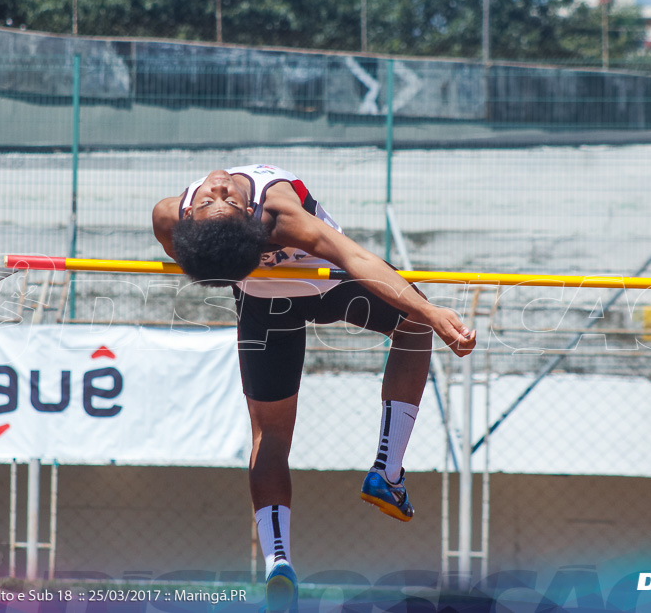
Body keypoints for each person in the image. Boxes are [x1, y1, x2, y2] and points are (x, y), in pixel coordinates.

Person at [153, 165, 476, 611]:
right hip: (329, 288)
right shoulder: (253, 211)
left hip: (277, 300)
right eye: (215, 201)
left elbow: (352, 258)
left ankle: (283, 552)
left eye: (215, 200)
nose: (217, 188)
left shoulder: (193, 215)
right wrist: (429, 311)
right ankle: (380, 478)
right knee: (415, 329)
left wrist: (228, 262)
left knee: (271, 434)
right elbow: (356, 259)